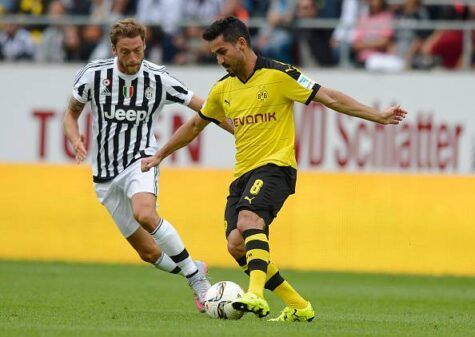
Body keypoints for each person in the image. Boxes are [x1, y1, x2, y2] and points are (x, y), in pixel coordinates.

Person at [141, 16, 407, 322]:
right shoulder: (222, 89)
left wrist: (378, 116)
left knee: (249, 219)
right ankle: (298, 305)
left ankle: (254, 294)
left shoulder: (280, 74)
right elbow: (195, 125)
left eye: (223, 51)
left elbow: (329, 97)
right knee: (236, 244)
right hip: (243, 173)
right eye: (215, 54)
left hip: (276, 167)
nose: (219, 59)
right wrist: (161, 154)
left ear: (241, 43)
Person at [63, 18, 229, 313]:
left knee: (145, 214)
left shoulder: (158, 78)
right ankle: (195, 268)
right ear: (113, 49)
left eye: (138, 50)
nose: (133, 59)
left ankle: (196, 281)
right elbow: (70, 114)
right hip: (104, 176)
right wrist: (76, 139)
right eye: (125, 52)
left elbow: (205, 108)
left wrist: (240, 130)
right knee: (149, 253)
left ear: (144, 46)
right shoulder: (93, 76)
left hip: (140, 160)